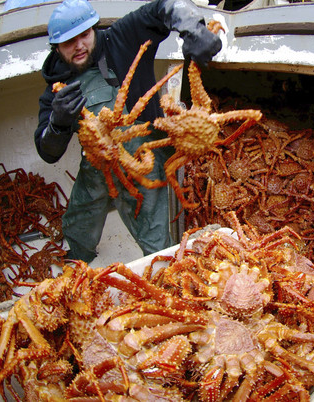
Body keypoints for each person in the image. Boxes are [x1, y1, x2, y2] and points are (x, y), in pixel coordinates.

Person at [34, 0, 222, 262]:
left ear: (94, 29)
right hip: (98, 162)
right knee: (78, 220)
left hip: (143, 156)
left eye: (84, 35)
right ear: (56, 47)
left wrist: (194, 28)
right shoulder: (55, 90)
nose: (79, 46)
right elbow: (47, 151)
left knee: (157, 242)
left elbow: (166, 5)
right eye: (69, 42)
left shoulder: (122, 38)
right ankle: (78, 255)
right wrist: (58, 122)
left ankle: (161, 263)